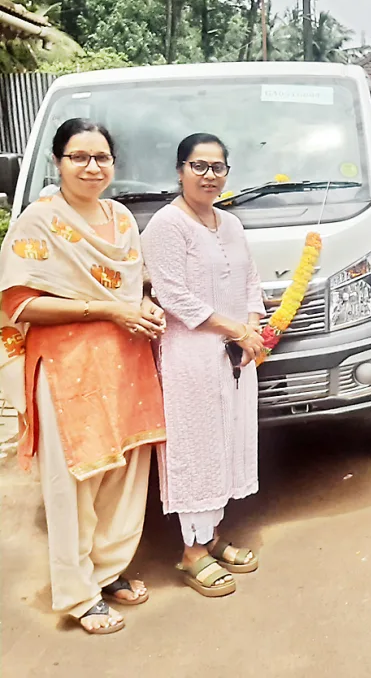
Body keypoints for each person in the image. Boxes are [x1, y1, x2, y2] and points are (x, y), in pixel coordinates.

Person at [0, 119, 166, 634]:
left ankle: (108, 570)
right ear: (58, 162)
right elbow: (20, 302)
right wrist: (105, 309)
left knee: (124, 472)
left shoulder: (120, 218)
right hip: (67, 369)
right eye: (79, 156)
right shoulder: (39, 222)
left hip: (126, 360)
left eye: (102, 157)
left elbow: (135, 284)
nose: (92, 167)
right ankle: (75, 593)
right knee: (73, 479)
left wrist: (142, 305)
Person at [141, 133, 266, 598]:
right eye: (199, 166)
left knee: (227, 442)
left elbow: (251, 280)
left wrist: (252, 329)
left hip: (236, 355)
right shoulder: (166, 226)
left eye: (218, 167)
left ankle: (211, 537)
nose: (209, 176)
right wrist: (236, 330)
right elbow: (171, 295)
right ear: (180, 171)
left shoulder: (230, 223)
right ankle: (190, 552)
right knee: (196, 446)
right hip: (190, 357)